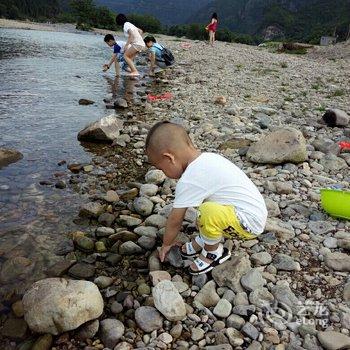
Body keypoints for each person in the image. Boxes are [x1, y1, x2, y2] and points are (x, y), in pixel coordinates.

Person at [145, 121, 267, 275]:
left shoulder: (190, 178)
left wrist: (166, 244)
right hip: (252, 212)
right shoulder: (207, 158)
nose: (163, 172)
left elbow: (175, 220)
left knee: (206, 211)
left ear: (170, 158)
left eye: (161, 168)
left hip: (248, 224)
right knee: (206, 206)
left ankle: (214, 252)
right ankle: (207, 238)